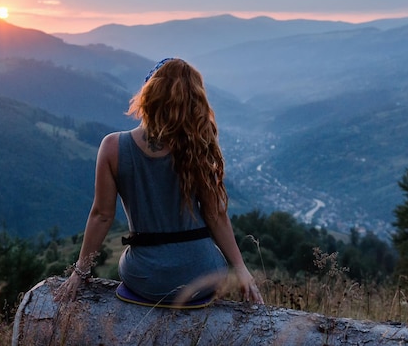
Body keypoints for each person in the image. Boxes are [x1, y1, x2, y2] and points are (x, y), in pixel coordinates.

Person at [54, 58, 263, 305]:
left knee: (128, 260)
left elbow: (101, 215)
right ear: (194, 103)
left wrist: (80, 272)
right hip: (203, 276)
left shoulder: (112, 147)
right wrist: (240, 269)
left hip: (145, 277)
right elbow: (215, 215)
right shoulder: (197, 147)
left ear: (147, 96)